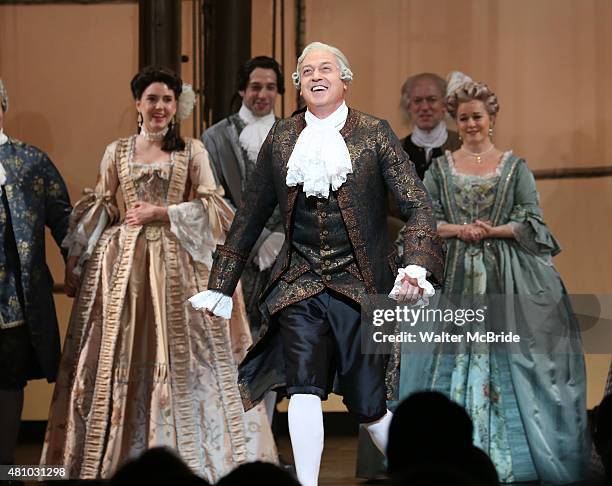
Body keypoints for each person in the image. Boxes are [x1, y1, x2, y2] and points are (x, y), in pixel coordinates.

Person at [189, 42, 445, 486]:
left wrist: (416, 264)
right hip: (300, 282)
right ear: (300, 85)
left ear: (344, 80)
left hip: (362, 285)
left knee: (370, 406)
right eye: (307, 71)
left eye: (325, 68)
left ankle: (425, 475)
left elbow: (418, 206)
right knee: (302, 384)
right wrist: (221, 283)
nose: (315, 76)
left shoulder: (374, 133)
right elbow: (248, 217)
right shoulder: (283, 138)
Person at [40, 67, 277, 481]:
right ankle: (116, 451)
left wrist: (163, 213)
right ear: (138, 104)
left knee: (191, 358)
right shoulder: (117, 151)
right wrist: (76, 263)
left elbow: (214, 209)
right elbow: (102, 208)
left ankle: (198, 454)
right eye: (152, 99)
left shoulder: (192, 150)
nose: (160, 107)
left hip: (180, 266)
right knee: (120, 351)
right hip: (125, 267)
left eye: (167, 99)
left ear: (176, 105)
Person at [397, 78, 588, 483]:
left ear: (492, 119)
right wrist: (459, 230)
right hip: (455, 276)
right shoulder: (441, 170)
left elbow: (533, 221)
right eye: (463, 118)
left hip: (505, 275)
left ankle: (515, 458)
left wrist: (492, 231)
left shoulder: (514, 167)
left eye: (477, 117)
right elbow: (423, 220)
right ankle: (448, 456)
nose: (470, 124)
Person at [0, 78, 72, 467]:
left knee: (8, 381)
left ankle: (6, 467)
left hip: (14, 297)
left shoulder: (30, 161)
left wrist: (76, 264)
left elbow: (62, 218)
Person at [202, 56, 285, 340]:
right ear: (241, 90)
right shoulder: (215, 137)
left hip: (285, 249)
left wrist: (279, 236)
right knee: (237, 338)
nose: (263, 94)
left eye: (270, 87)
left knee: (280, 334)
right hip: (234, 249)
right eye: (255, 87)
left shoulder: (297, 134)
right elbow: (213, 198)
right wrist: (258, 239)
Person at [399, 72, 461, 181]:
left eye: (431, 99)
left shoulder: (461, 145)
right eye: (417, 100)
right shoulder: (395, 151)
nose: (424, 107)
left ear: (445, 104)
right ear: (408, 106)